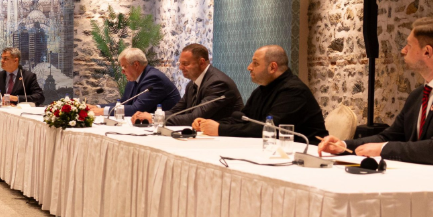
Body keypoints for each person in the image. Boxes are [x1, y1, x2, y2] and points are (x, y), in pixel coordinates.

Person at [318, 18, 433, 174]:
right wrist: (343, 146)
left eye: (409, 45)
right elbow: (390, 136)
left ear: (427, 51)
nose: (403, 50)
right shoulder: (418, 95)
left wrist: (382, 149)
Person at [193, 45, 327, 140]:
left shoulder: (294, 91)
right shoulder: (262, 89)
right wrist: (209, 124)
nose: (249, 67)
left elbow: (270, 129)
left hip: (307, 153)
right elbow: (242, 119)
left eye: (255, 63)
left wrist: (220, 129)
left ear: (272, 67)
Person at [132, 43, 242, 126]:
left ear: (202, 62)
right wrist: (152, 116)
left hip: (227, 138)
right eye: (180, 64)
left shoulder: (217, 83)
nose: (180, 68)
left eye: (185, 64)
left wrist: (155, 119)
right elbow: (176, 111)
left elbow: (195, 117)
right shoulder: (192, 84)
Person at [92, 47, 179, 118]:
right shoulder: (134, 78)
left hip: (168, 125)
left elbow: (137, 109)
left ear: (136, 65)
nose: (122, 71)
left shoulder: (153, 78)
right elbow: (123, 103)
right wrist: (97, 107)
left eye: (124, 67)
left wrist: (103, 111)